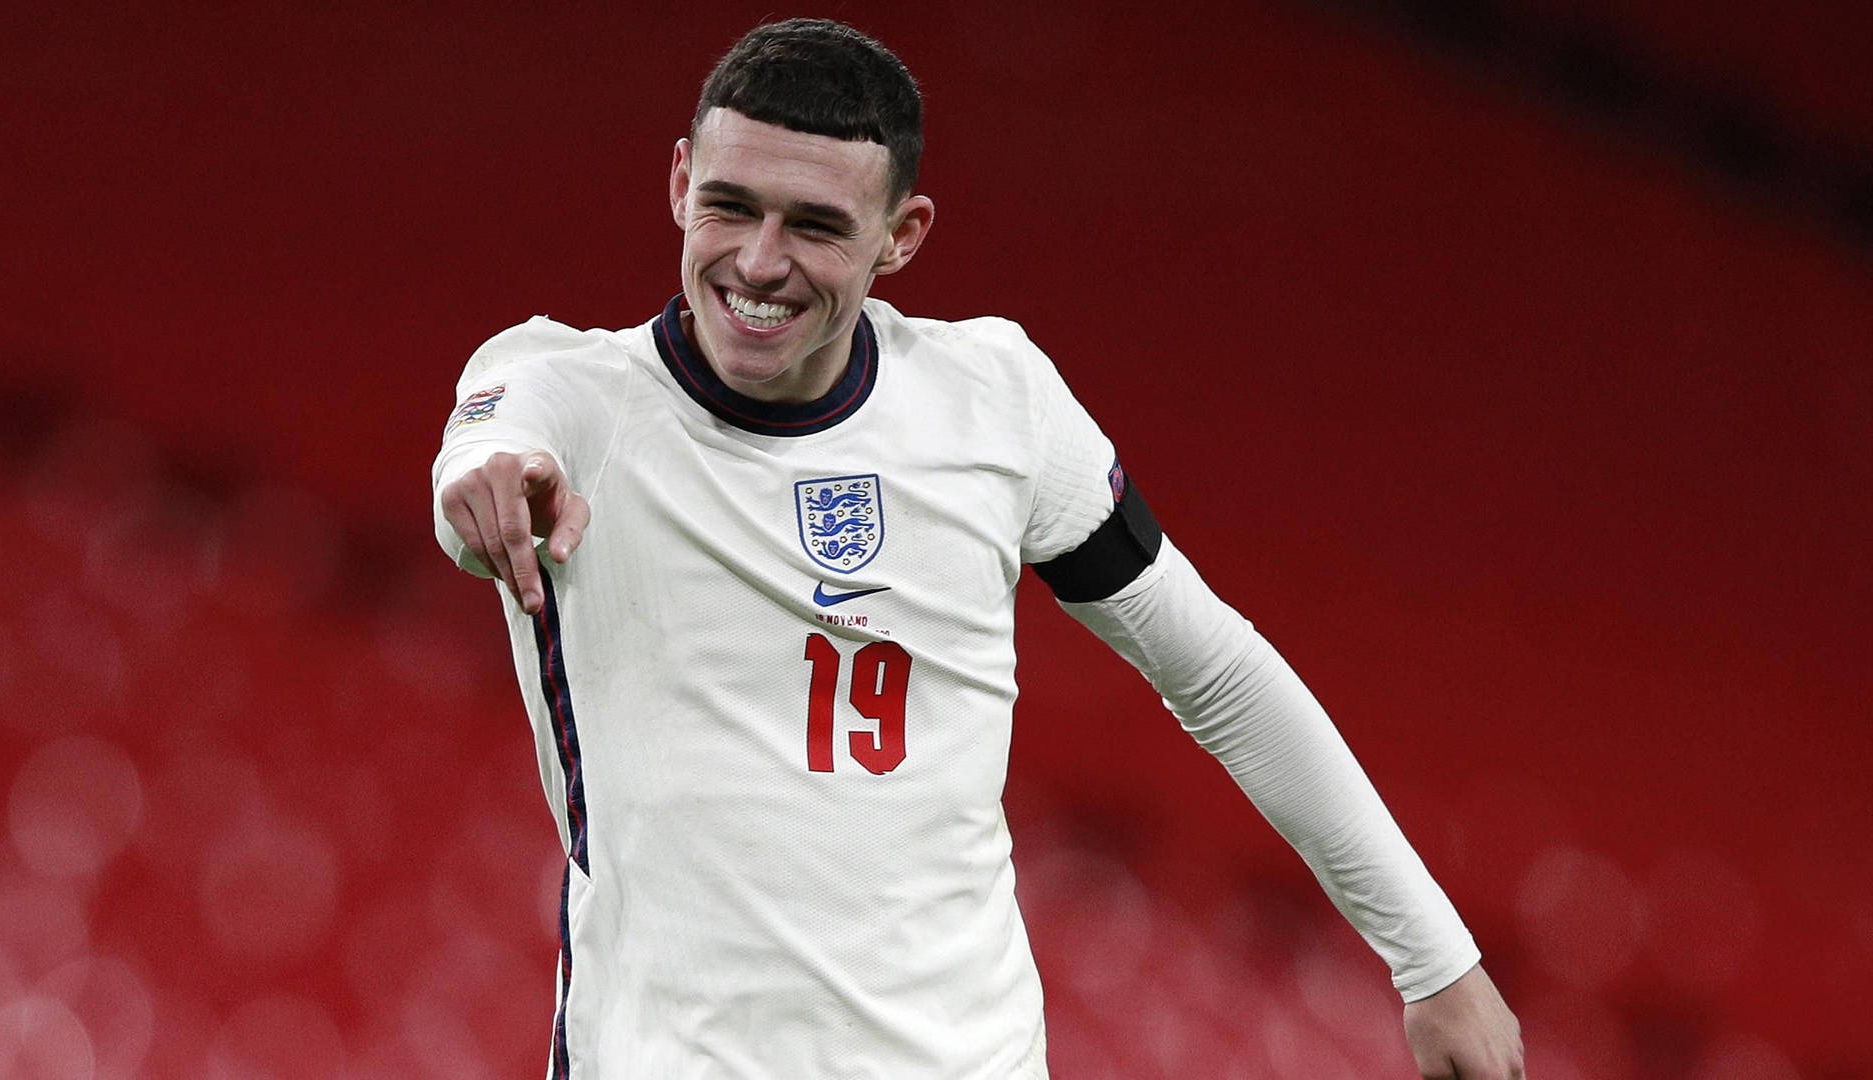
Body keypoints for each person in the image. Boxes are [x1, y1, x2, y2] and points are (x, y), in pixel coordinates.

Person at [432, 17, 1524, 1080]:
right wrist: (481, 483)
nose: (758, 262)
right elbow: (488, 440)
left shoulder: (995, 402)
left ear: (901, 235)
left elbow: (1217, 673)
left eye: (814, 225)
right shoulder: (571, 395)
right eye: (729, 206)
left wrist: (1436, 961)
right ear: (679, 184)